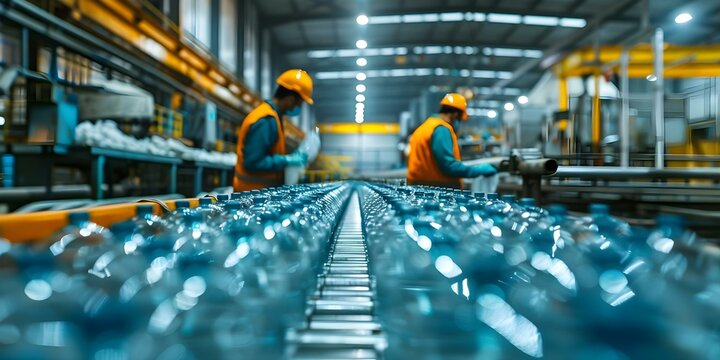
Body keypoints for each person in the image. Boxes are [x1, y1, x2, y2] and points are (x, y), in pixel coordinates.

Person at [233, 69, 313, 192]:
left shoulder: (274, 117)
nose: (297, 107)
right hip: (251, 197)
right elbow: (253, 162)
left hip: (259, 196)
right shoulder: (266, 120)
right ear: (291, 98)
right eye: (299, 103)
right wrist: (286, 160)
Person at [407, 93, 497, 188]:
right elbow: (449, 166)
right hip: (438, 189)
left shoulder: (425, 127)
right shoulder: (441, 129)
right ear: (455, 114)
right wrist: (478, 170)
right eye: (459, 119)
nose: (458, 123)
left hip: (419, 186)